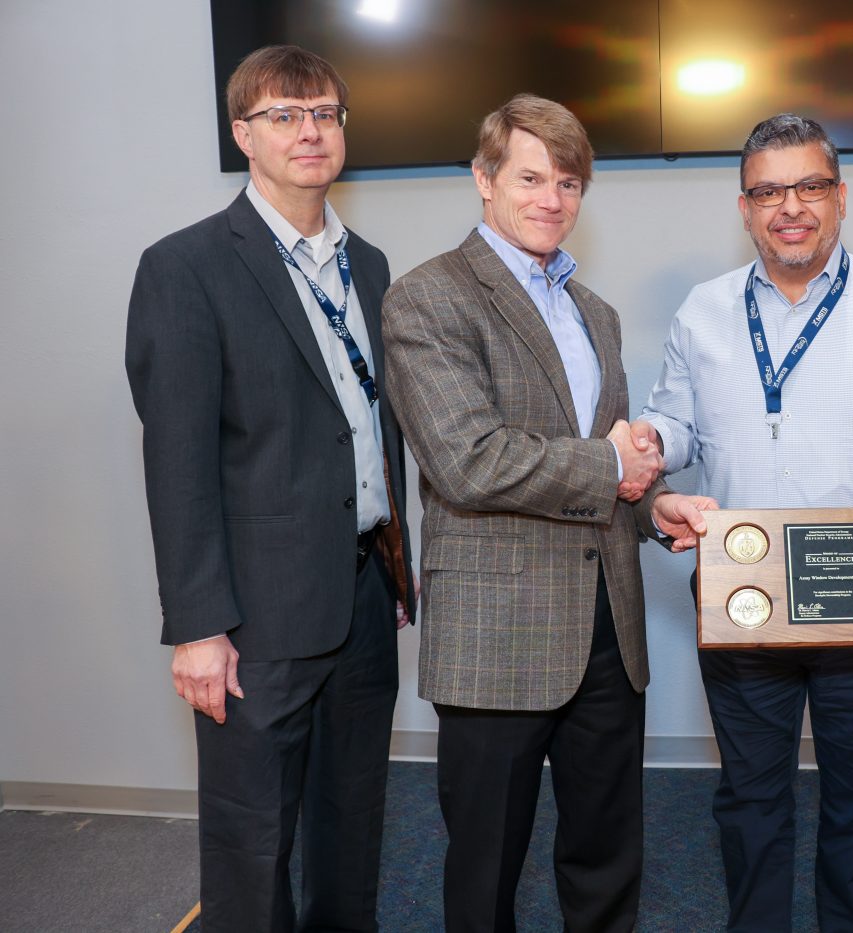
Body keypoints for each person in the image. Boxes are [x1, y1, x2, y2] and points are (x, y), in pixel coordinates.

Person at [637, 113, 853, 931]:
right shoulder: (704, 310)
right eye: (767, 191)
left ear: (841, 197)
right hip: (742, 590)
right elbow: (675, 426)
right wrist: (652, 473)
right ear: (745, 207)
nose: (789, 206)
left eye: (809, 186)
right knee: (749, 799)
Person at [381, 93, 712, 932]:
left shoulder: (592, 311)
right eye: (531, 177)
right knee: (486, 864)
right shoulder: (428, 298)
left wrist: (656, 503)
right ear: (483, 180)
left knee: (606, 854)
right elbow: (468, 460)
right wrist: (614, 463)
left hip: (610, 624)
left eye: (568, 182)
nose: (551, 199)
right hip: (499, 631)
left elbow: (615, 468)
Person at [125, 45, 414, 932]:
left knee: (352, 822)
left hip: (365, 595)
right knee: (254, 842)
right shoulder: (187, 266)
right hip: (254, 615)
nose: (310, 132)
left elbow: (367, 426)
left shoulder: (368, 263)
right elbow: (177, 461)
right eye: (285, 116)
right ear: (244, 133)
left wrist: (397, 563)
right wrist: (199, 626)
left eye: (325, 113)